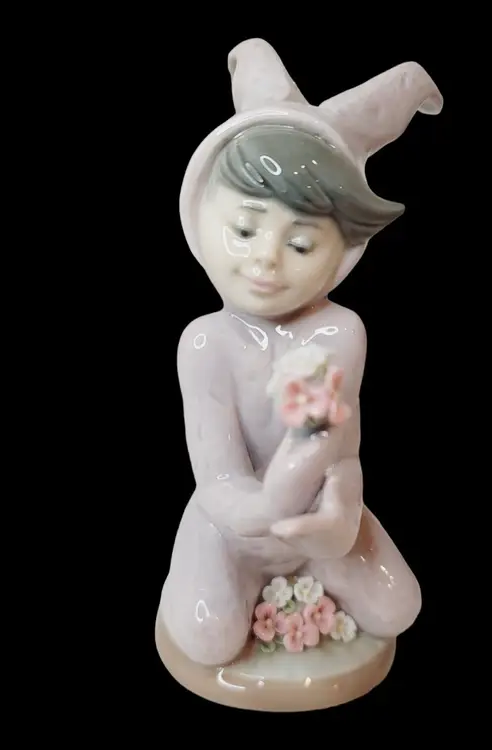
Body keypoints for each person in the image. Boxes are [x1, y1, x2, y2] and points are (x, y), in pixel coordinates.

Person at [159, 39, 442, 666]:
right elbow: (217, 477)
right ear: (200, 218)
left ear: (342, 252)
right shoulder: (205, 342)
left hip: (314, 523)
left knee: (399, 607)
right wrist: (261, 516)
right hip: (232, 526)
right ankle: (234, 579)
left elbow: (339, 450)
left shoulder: (338, 334)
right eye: (244, 229)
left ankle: (316, 571)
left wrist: (337, 516)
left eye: (302, 244)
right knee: (206, 639)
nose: (266, 260)